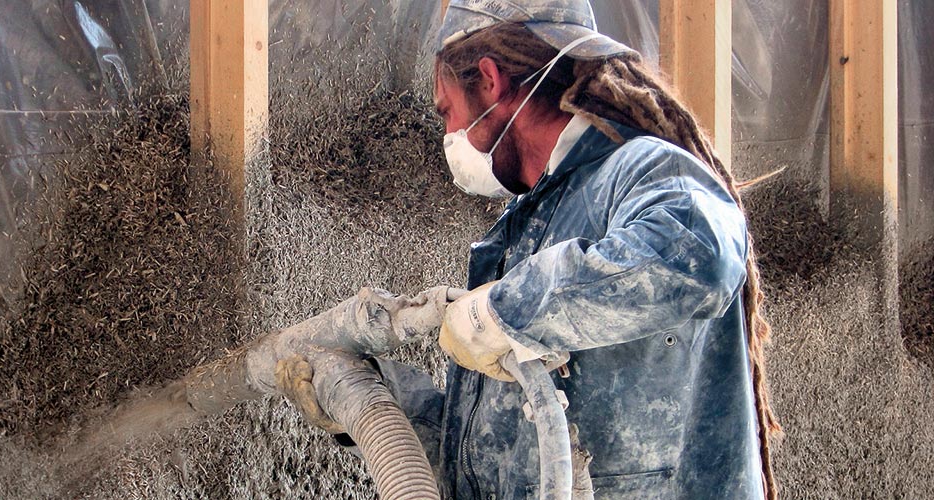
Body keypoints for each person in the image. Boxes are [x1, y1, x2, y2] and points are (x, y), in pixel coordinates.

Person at [278, 1, 780, 498]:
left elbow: (699, 254)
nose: (449, 134)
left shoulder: (644, 172)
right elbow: (497, 452)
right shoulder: (524, 225)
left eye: (447, 110)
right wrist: (375, 397)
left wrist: (502, 311)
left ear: (492, 81)